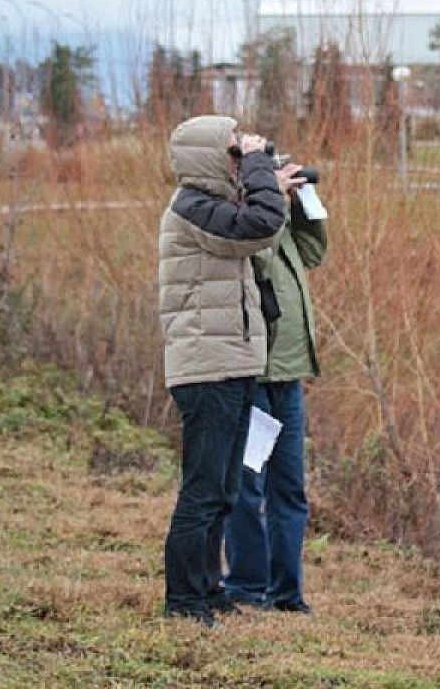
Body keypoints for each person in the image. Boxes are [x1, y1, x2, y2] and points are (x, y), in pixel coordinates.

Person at [157, 115, 304, 626]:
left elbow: (257, 222)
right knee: (202, 490)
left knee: (222, 490)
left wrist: (270, 181)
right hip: (206, 369)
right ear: (209, 158)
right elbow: (261, 225)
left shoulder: (214, 208)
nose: (240, 160)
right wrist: (262, 166)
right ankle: (183, 600)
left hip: (233, 363)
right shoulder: (191, 207)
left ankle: (208, 587)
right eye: (234, 153)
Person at [222, 169, 327, 614]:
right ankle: (248, 584)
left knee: (290, 489)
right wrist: (272, 199)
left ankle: (287, 592)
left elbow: (313, 251)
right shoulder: (245, 224)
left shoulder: (283, 234)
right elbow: (258, 257)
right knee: (248, 485)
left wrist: (306, 205)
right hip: (254, 379)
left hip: (288, 377)